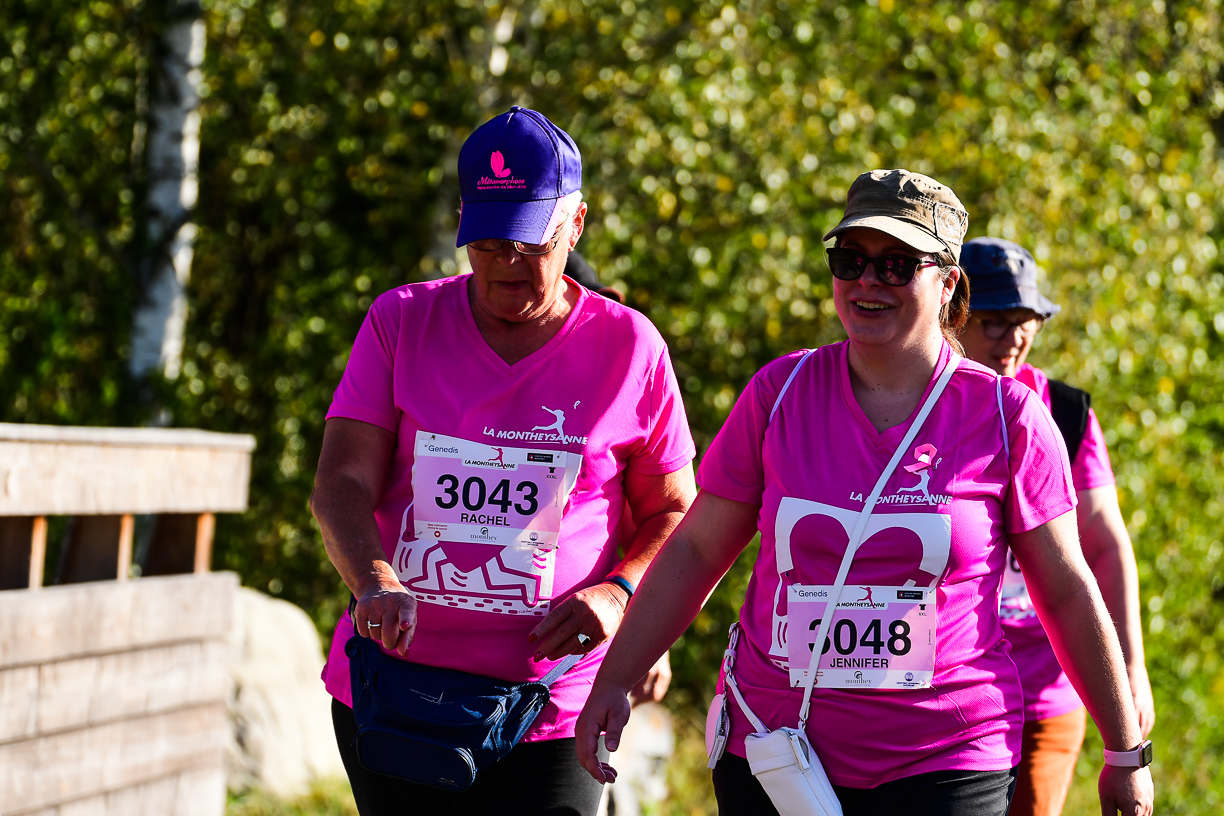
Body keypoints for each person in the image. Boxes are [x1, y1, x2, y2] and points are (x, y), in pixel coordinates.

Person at [575, 169, 1154, 816]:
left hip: (948, 757)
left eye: (896, 265)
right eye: (850, 260)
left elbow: (1068, 588)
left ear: (947, 283)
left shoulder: (1008, 416)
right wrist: (615, 677)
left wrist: (1124, 751)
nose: (868, 282)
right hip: (777, 747)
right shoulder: (779, 393)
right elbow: (696, 550)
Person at [310, 106, 697, 816]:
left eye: (528, 243)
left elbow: (676, 511)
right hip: (397, 691)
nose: (506, 266)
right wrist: (373, 581)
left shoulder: (630, 347)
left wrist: (619, 593)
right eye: (486, 243)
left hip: (552, 703)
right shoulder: (401, 320)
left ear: (576, 225)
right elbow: (341, 480)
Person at [958, 237, 1155, 816]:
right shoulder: (918, 407)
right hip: (946, 686)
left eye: (1026, 322)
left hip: (1046, 690)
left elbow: (1105, 544)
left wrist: (1130, 666)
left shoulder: (1065, 413)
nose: (1012, 338)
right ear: (952, 316)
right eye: (993, 321)